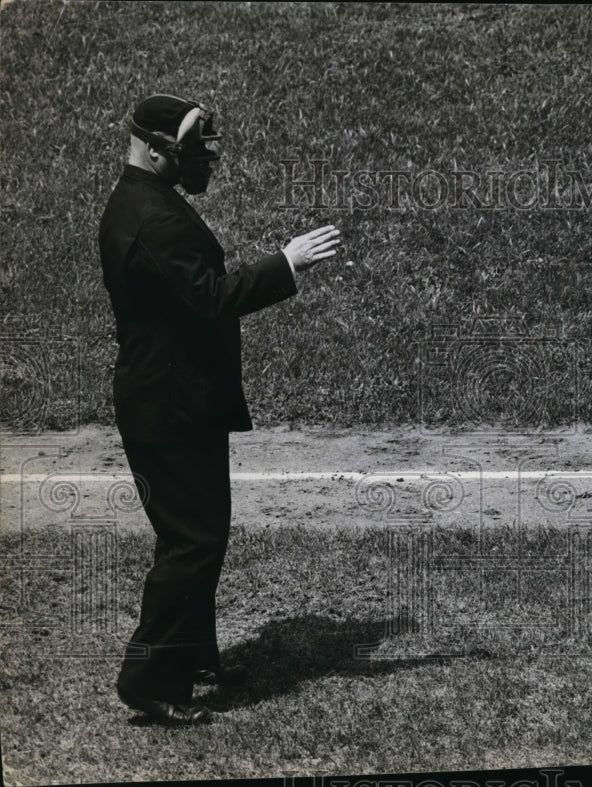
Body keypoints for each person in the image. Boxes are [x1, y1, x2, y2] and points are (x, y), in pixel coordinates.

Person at [99, 94, 341, 725]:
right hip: (168, 406)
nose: (201, 160)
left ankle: (194, 657)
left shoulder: (142, 199)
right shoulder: (152, 220)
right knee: (192, 541)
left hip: (178, 398)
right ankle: (148, 678)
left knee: (200, 533)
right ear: (154, 149)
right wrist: (285, 264)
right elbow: (211, 298)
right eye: (186, 150)